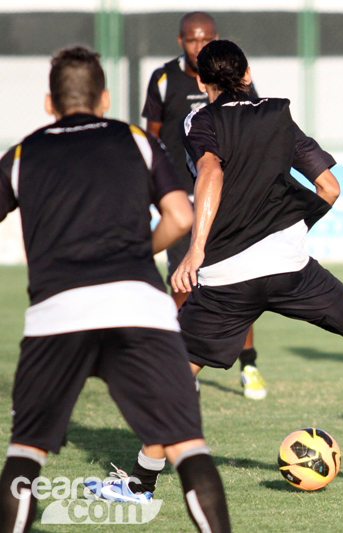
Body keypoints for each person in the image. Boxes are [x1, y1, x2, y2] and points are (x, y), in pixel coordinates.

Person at [90, 40, 343, 502]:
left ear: (203, 82)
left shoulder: (200, 120)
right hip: (291, 265)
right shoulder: (278, 114)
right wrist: (293, 227)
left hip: (228, 275)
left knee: (176, 374)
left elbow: (210, 174)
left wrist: (195, 251)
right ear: (247, 74)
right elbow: (329, 187)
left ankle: (140, 483)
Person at [0, 47, 230, 533]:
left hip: (57, 313)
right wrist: (139, 252)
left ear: (49, 103)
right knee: (187, 446)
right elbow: (181, 216)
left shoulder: (22, 154)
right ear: (104, 99)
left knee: (26, 452)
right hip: (139, 307)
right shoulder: (136, 140)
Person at [142, 11, 266, 400]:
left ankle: (249, 365)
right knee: (183, 281)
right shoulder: (163, 79)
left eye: (205, 39)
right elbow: (152, 139)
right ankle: (184, 366)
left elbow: (252, 127)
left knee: (238, 282)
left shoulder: (235, 77)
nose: (199, 45)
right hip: (182, 199)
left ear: (216, 38)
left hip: (228, 198)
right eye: (192, 39)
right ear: (180, 42)